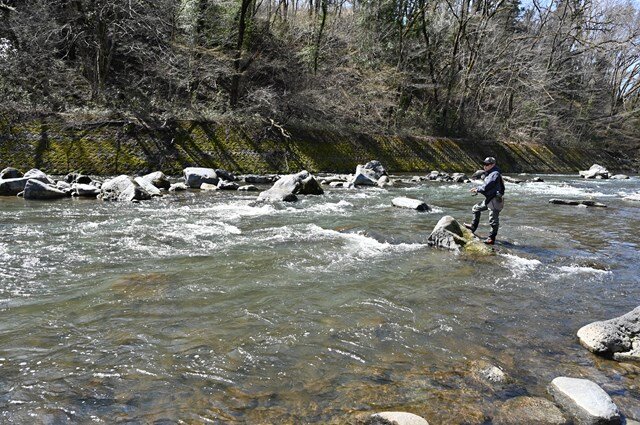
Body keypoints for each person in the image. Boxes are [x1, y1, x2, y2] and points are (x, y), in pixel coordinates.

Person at [464, 157, 505, 245]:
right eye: (484, 164)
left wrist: (477, 189)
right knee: (475, 208)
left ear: (493, 165)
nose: (484, 166)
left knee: (493, 220)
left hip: (495, 200)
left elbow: (488, 186)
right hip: (489, 199)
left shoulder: (495, 173)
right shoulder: (490, 173)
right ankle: (473, 227)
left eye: (487, 164)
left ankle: (491, 238)